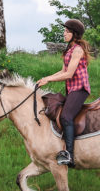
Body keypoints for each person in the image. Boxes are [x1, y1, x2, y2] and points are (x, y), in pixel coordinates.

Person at [37, 18, 92, 167]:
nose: (64, 34)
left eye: (67, 31)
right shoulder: (68, 49)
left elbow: (69, 74)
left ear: (75, 34)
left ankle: (70, 155)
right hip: (71, 89)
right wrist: (46, 78)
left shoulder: (78, 50)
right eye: (64, 31)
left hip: (80, 89)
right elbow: (63, 71)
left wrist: (49, 81)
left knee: (67, 116)